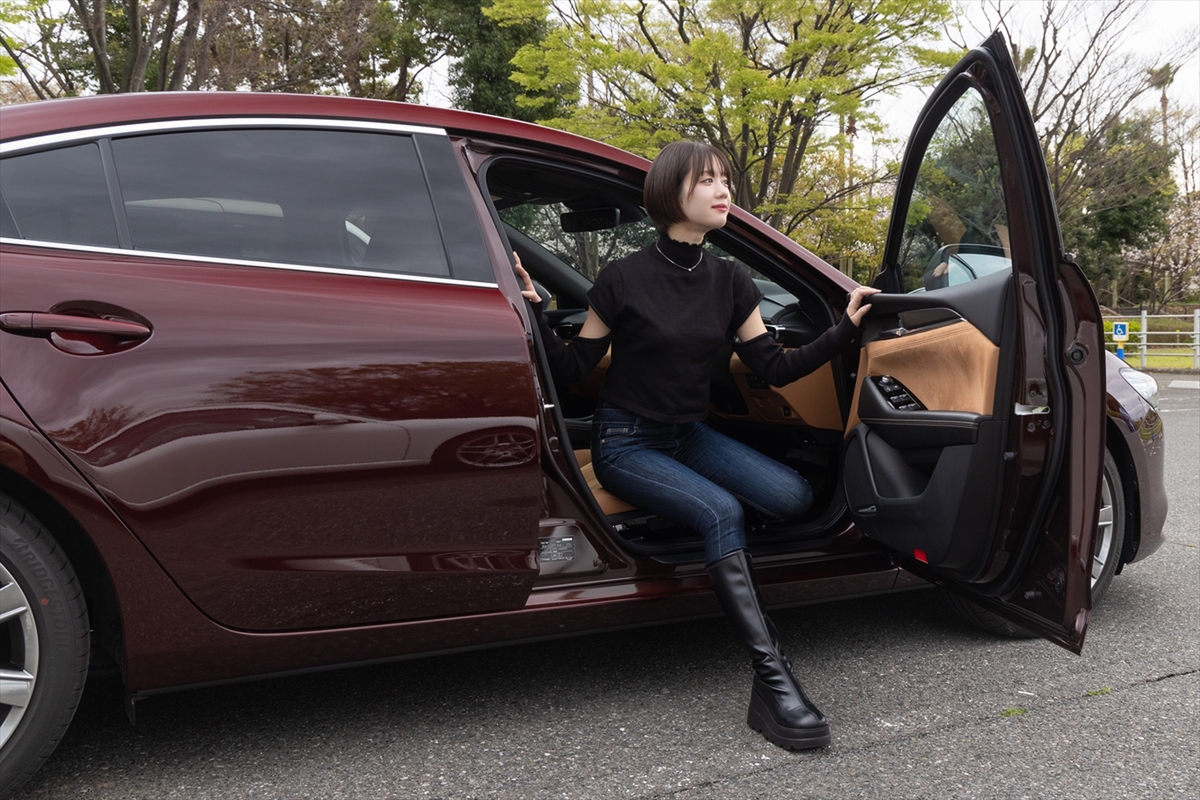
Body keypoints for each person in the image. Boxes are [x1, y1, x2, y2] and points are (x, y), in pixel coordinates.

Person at [514, 140, 878, 750]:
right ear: (670, 192)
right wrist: (536, 312)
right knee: (722, 511)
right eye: (707, 180)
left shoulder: (731, 281)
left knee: (793, 496)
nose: (723, 189)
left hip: (686, 436)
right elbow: (575, 367)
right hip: (625, 442)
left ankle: (706, 534)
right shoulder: (623, 277)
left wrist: (845, 329)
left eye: (724, 179)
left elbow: (773, 367)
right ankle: (774, 682)